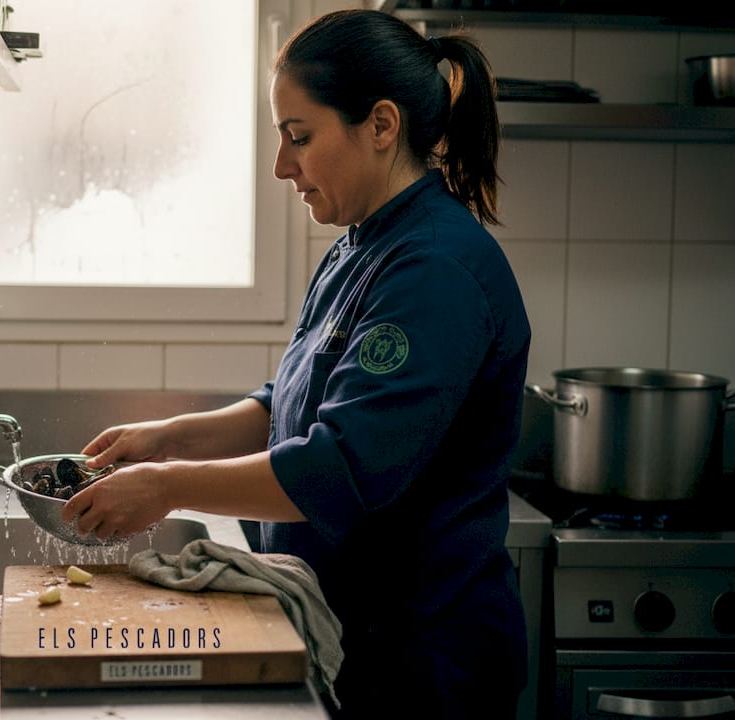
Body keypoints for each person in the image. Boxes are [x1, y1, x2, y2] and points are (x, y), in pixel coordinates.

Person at [61, 9, 531, 719]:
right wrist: (167, 440)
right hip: (356, 635)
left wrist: (166, 487)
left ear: (381, 125)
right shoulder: (362, 244)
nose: (283, 166)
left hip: (420, 663)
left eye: (300, 137)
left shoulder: (435, 269)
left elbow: (340, 468)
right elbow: (290, 402)